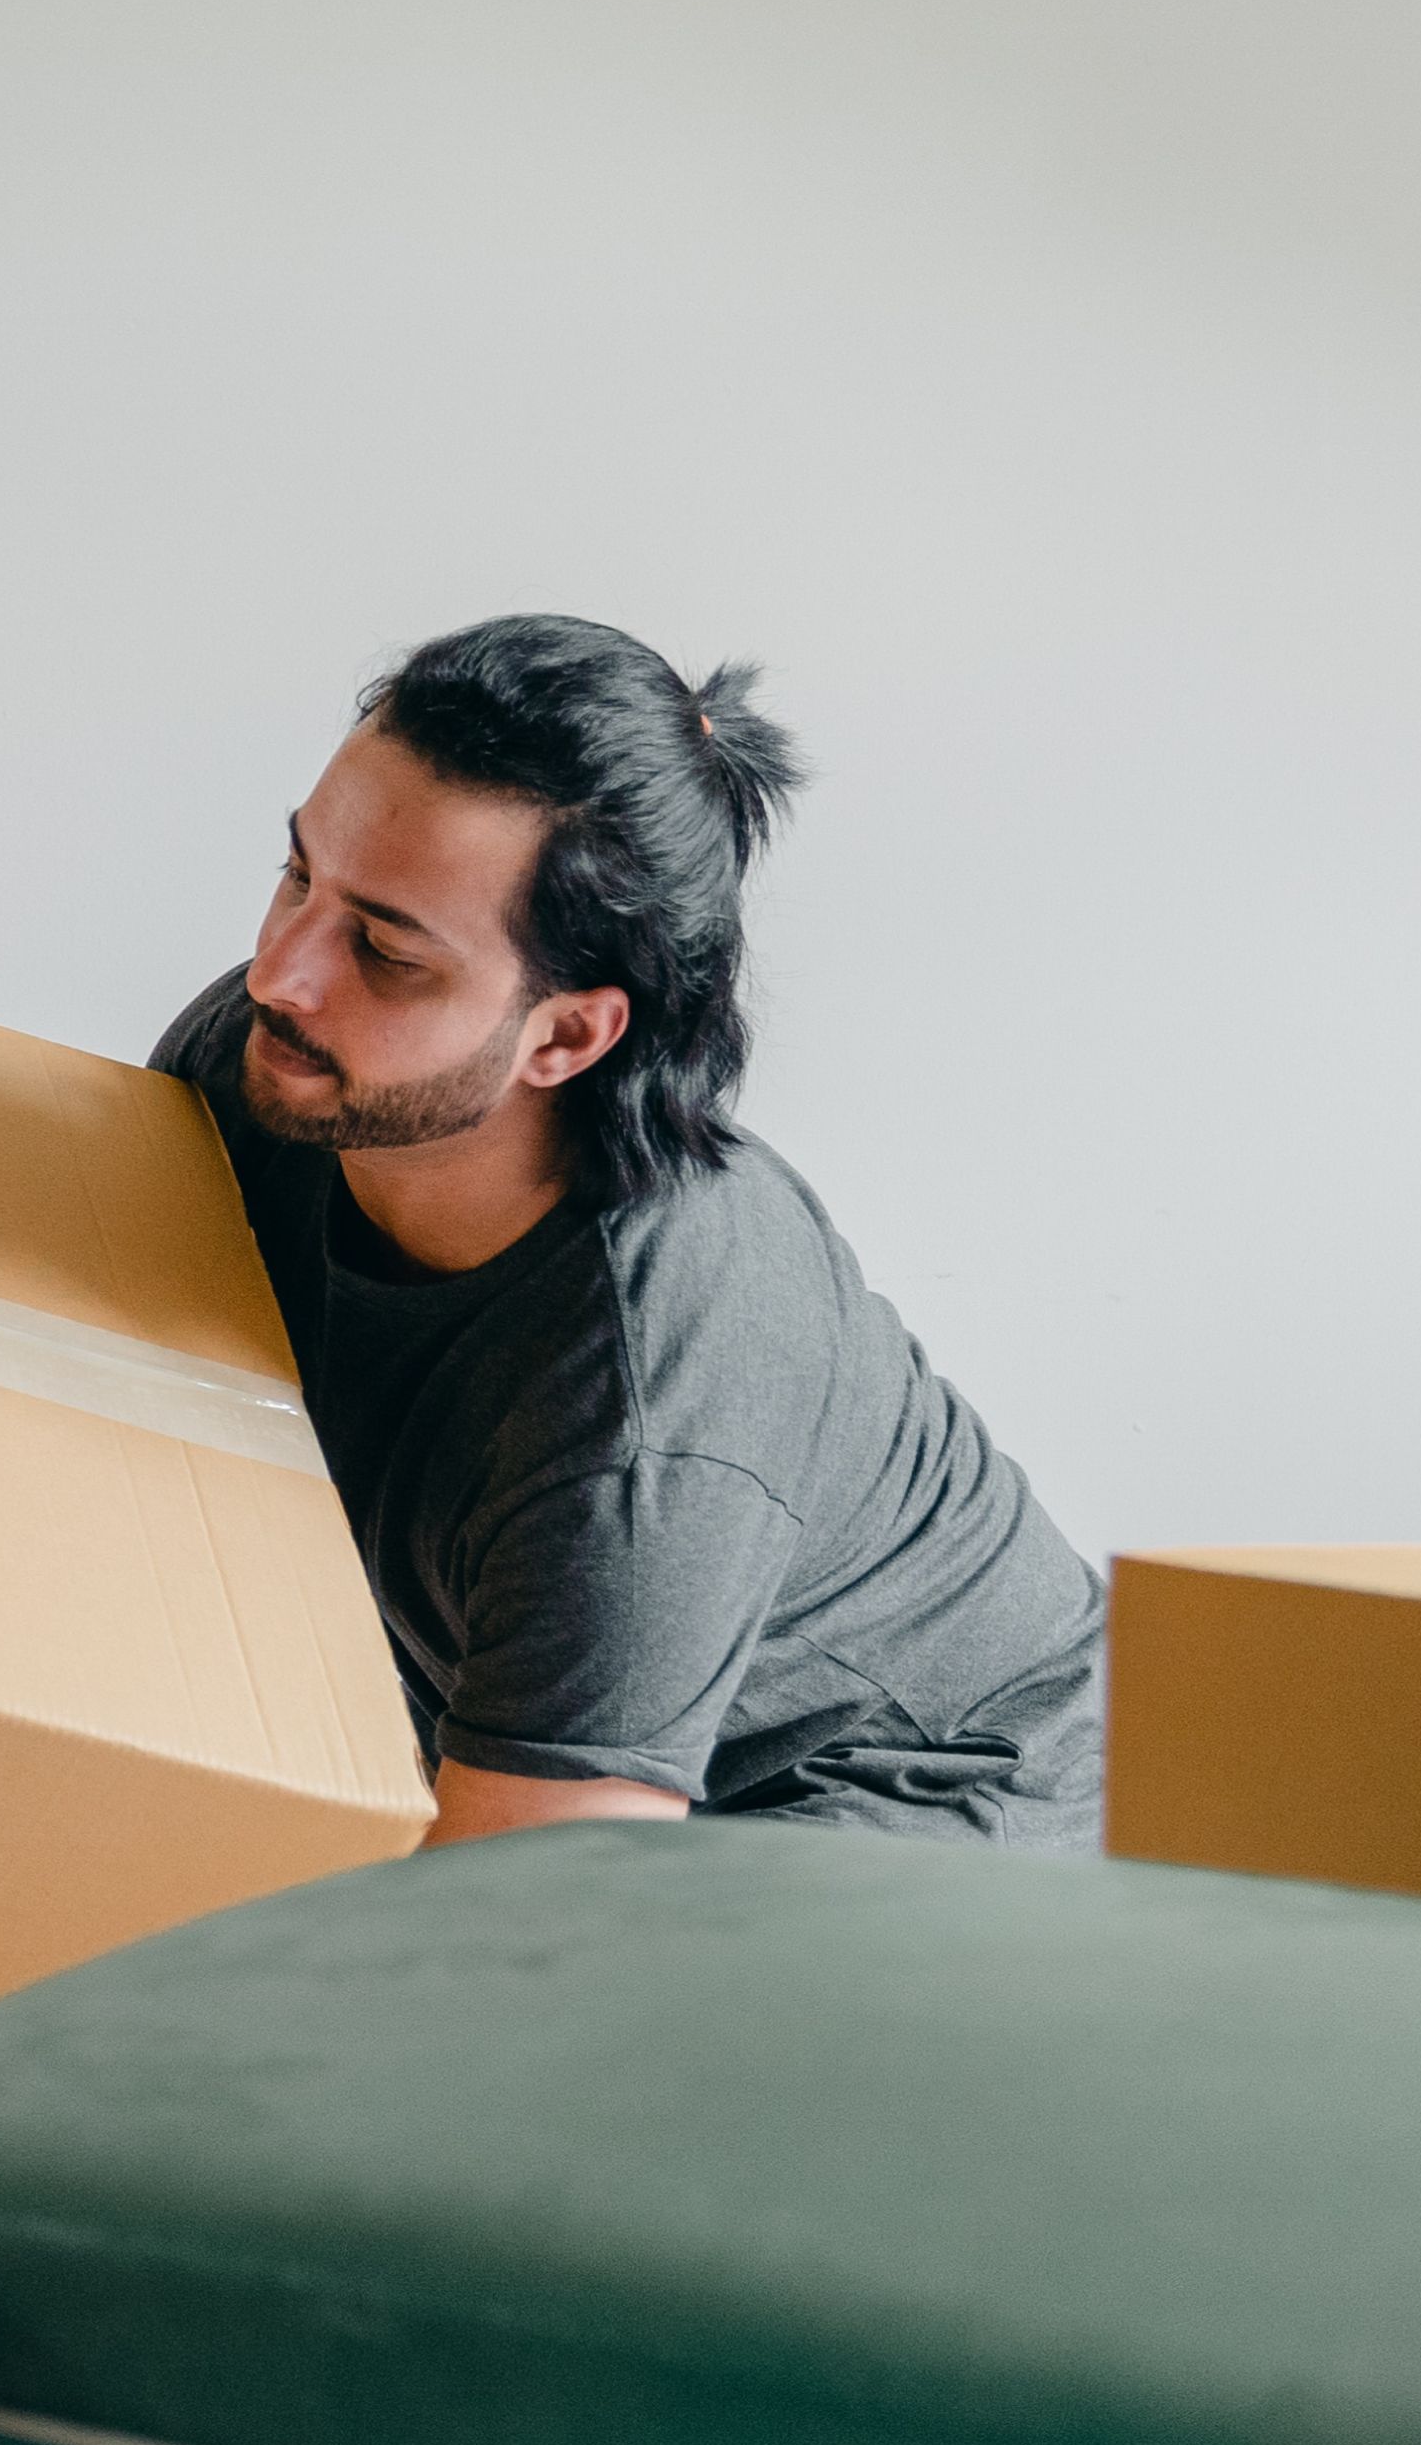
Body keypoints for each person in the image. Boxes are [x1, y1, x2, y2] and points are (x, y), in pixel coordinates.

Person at [152, 615, 1102, 1845]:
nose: (281, 970)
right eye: (297, 876)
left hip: (923, 1806)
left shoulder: (642, 1402)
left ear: (565, 1038)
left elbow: (533, 1925)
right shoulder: (272, 1066)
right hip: (596, 1734)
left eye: (384, 949)